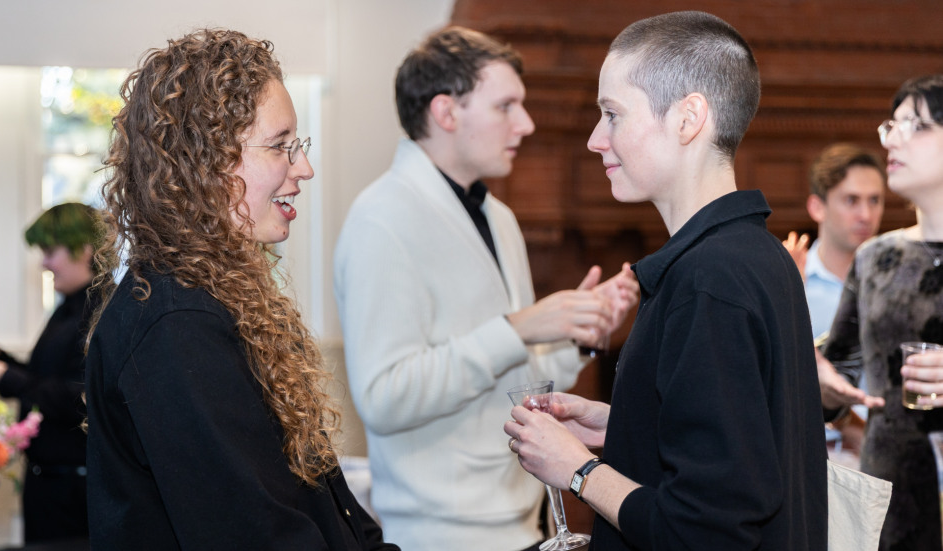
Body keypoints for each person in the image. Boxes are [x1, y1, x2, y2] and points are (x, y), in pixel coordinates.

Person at [503, 11, 827, 550]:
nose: (593, 139)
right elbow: (747, 446)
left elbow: (709, 529)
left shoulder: (710, 279)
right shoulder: (755, 252)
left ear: (687, 118)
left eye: (612, 115)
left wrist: (579, 471)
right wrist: (627, 426)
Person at [84, 29, 397, 550]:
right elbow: (259, 535)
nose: (305, 168)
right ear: (202, 162)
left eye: (298, 145)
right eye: (280, 146)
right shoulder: (176, 324)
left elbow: (330, 510)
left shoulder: (220, 297)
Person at [334, 26, 638, 551]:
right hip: (439, 533)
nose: (526, 123)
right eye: (506, 106)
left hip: (521, 515)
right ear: (446, 113)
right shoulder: (380, 218)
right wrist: (521, 326)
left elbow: (512, 376)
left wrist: (579, 334)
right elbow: (384, 398)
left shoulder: (495, 215)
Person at [821, 73, 943, 550]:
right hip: (889, 496)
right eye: (891, 126)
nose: (893, 139)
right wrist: (823, 385)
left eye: (914, 125)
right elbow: (843, 372)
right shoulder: (875, 257)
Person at [0, 202, 99, 543]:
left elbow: (78, 397)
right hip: (49, 484)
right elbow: (45, 374)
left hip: (74, 492)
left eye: (50, 251)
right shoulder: (68, 307)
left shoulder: (99, 312)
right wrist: (1, 358)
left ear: (83, 249)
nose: (44, 262)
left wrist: (6, 376)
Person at [783, 143, 886, 340]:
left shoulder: (894, 278)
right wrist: (786, 293)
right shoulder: (792, 278)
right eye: (851, 200)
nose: (866, 215)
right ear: (817, 208)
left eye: (874, 200)